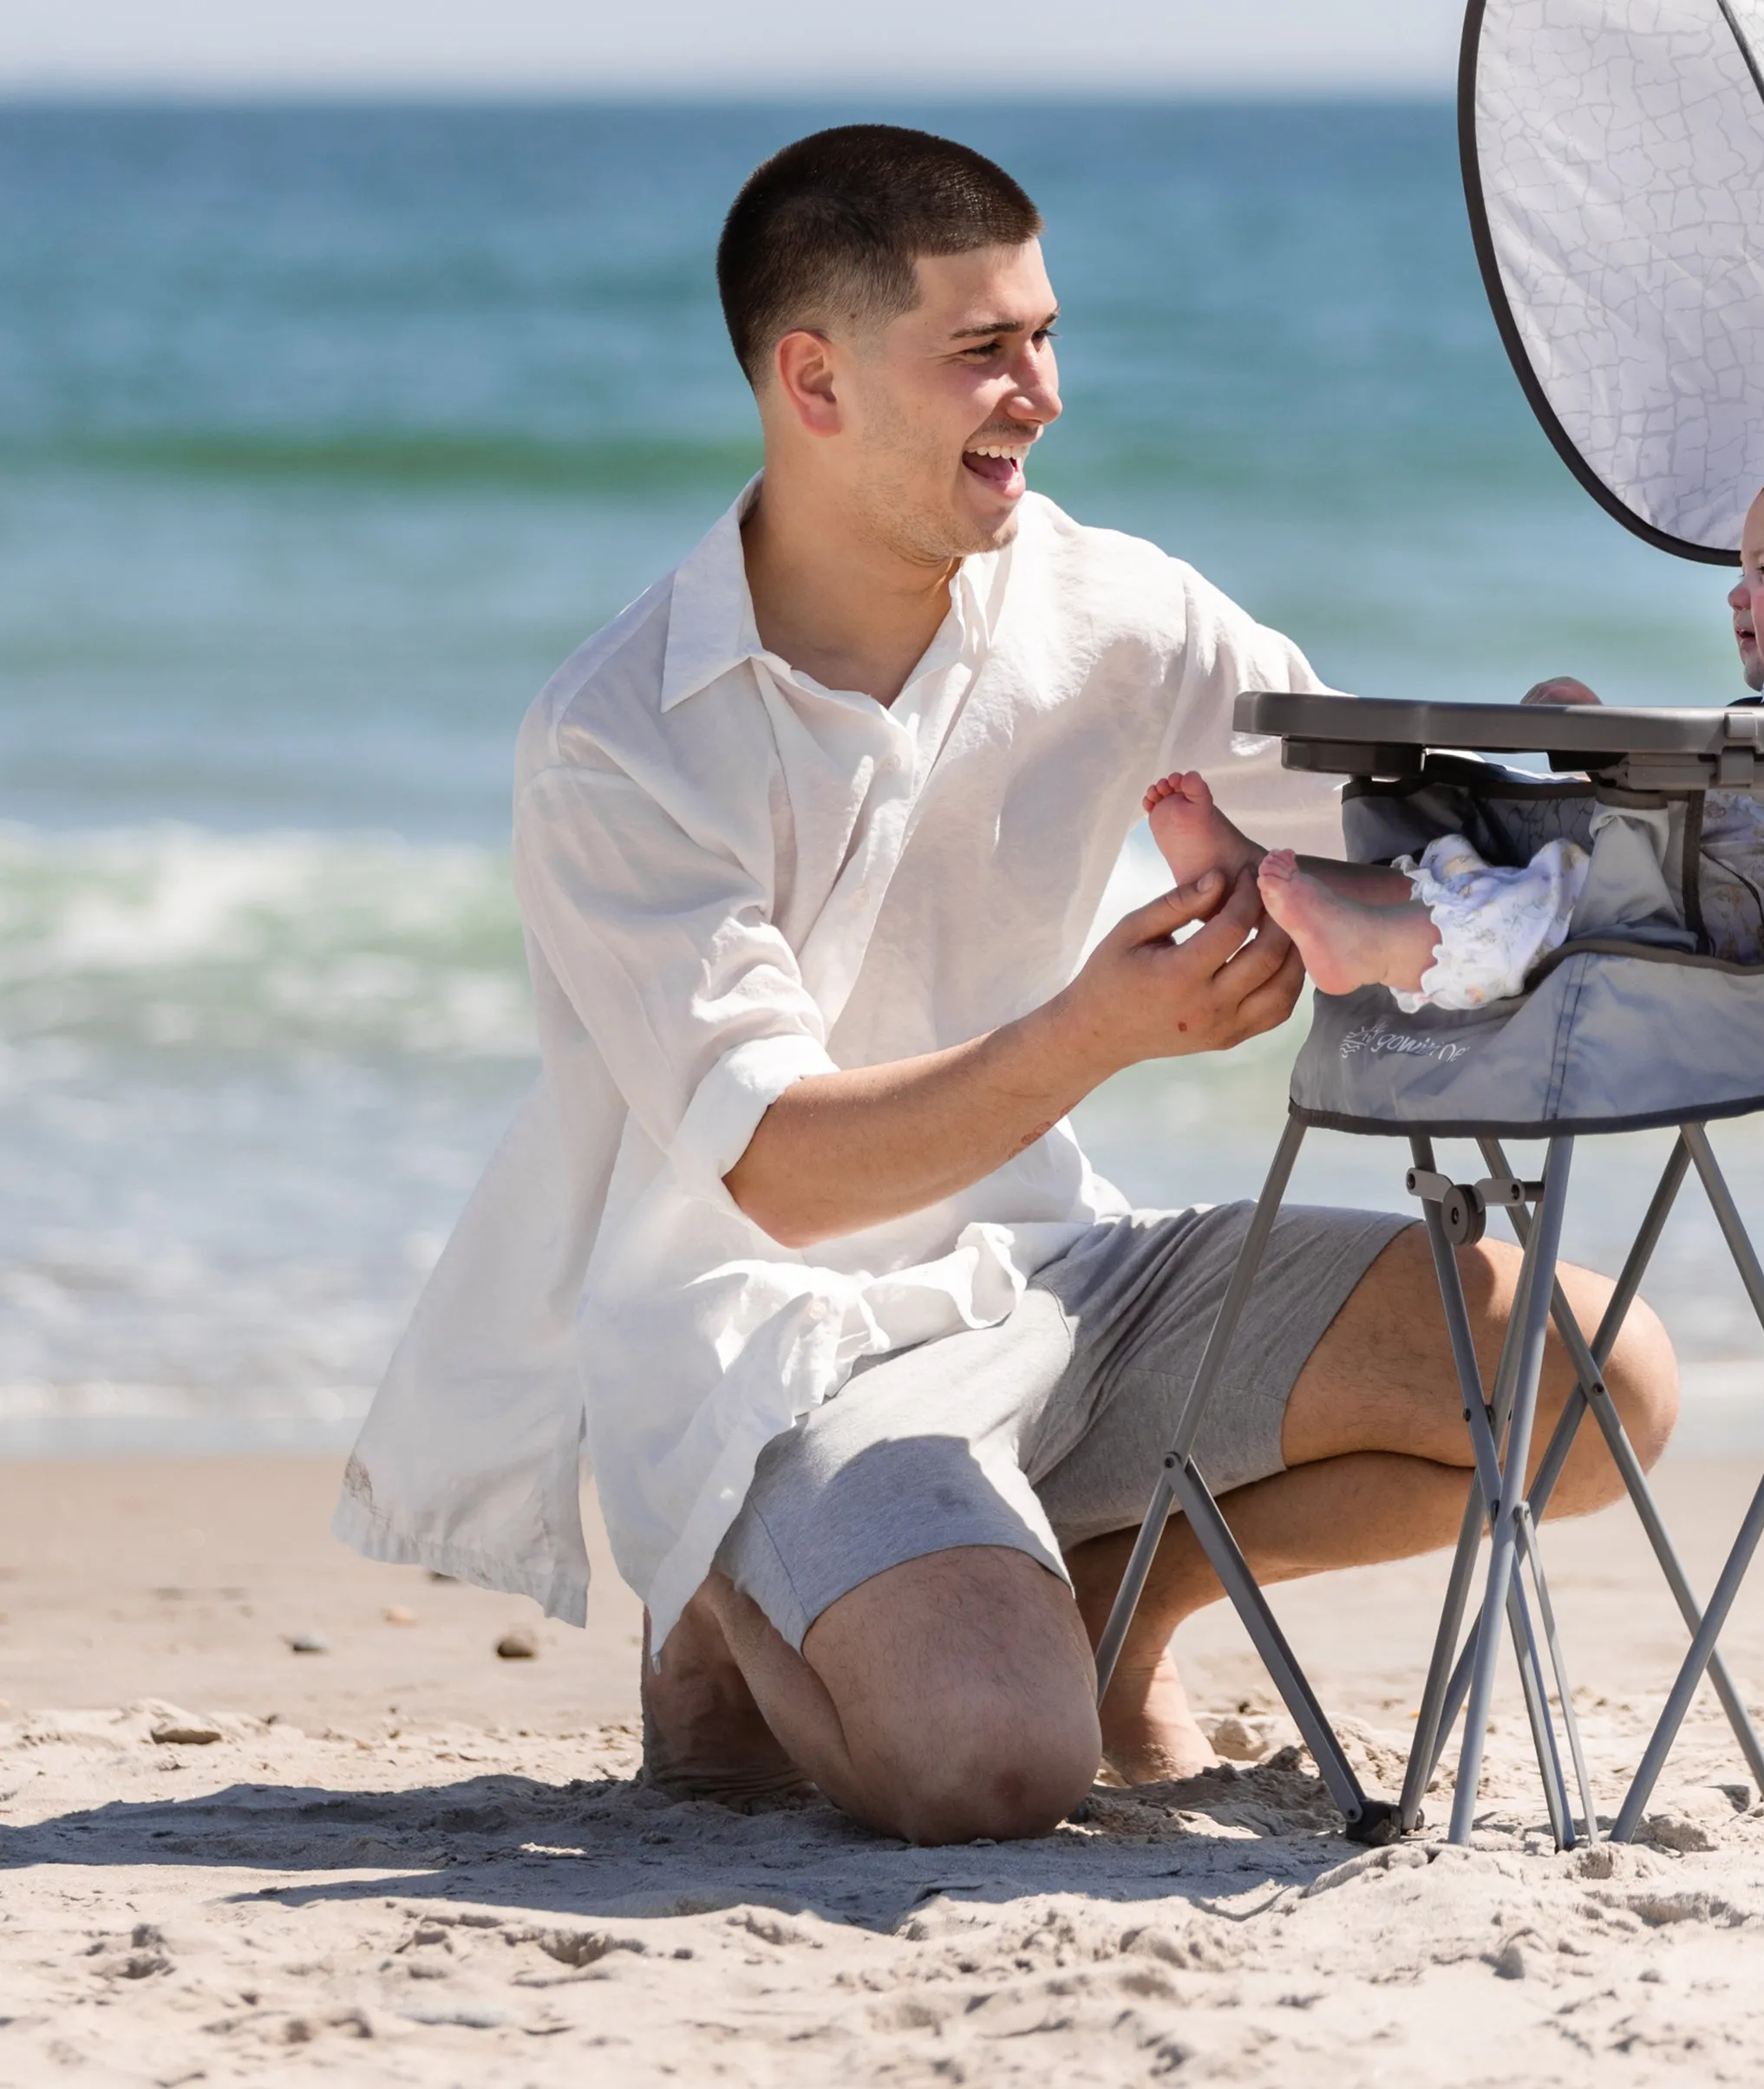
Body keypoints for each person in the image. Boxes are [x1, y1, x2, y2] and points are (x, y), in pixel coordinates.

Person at [331, 124, 1676, 1845]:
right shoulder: (621, 736)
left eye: (1045, 336)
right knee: (991, 1770)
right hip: (781, 1349)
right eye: (983, 349)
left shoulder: (1119, 609)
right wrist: (1098, 1033)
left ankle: (1110, 1593)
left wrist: (1530, 772)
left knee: (1596, 1382)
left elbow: (1368, 821)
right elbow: (780, 1173)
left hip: (1070, 1283)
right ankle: (728, 1612)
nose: (1040, 390)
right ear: (813, 382)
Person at [1142, 428, 1764, 1011]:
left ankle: (1372, 939)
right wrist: (1603, 737)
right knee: (1499, 856)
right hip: (1692, 882)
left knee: (1559, 892)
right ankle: (1273, 878)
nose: (1735, 591)